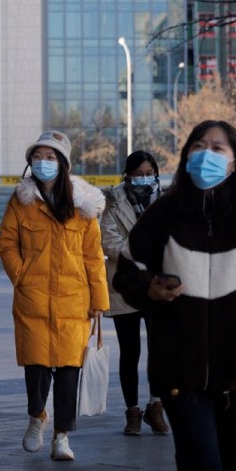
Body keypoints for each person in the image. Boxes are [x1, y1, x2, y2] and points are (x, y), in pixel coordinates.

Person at [114, 120, 236, 471]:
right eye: (199, 146)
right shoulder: (164, 213)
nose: (206, 155)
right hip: (180, 371)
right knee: (200, 462)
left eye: (218, 148)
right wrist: (149, 286)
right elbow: (127, 271)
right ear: (186, 157)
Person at [0, 130, 109, 462]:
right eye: (38, 156)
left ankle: (61, 436)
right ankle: (37, 417)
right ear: (30, 162)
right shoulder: (21, 201)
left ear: (62, 162)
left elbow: (93, 255)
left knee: (68, 373)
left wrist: (99, 302)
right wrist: (22, 276)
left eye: (50, 157)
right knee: (36, 367)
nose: (43, 162)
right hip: (33, 299)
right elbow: (6, 244)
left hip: (75, 302)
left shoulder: (82, 206)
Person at [100, 150, 169, 436]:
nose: (144, 177)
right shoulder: (113, 201)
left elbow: (174, 238)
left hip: (159, 285)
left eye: (148, 172)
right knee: (130, 351)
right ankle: (132, 412)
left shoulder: (166, 201)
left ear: (155, 172)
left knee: (159, 350)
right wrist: (141, 254)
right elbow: (108, 241)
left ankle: (156, 407)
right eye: (138, 173)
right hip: (126, 285)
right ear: (127, 174)